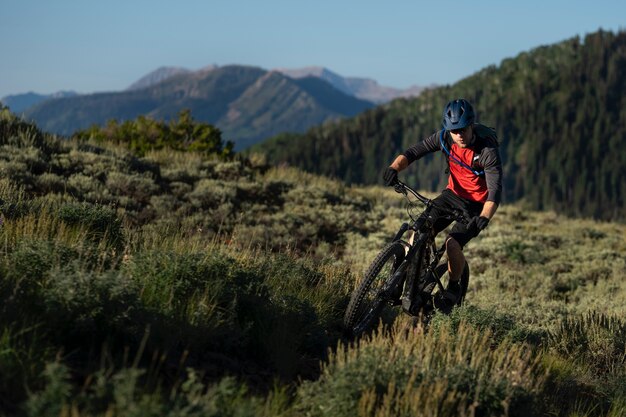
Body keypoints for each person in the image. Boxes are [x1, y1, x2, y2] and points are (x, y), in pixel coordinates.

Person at [382, 98, 503, 307]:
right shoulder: (444, 139)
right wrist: (394, 168)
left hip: (475, 205)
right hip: (451, 195)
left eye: (463, 129)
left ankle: (454, 285)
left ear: (471, 125)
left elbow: (495, 190)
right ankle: (400, 283)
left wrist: (484, 216)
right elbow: (413, 152)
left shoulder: (486, 151)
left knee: (452, 244)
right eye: (454, 130)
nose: (459, 135)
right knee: (418, 232)